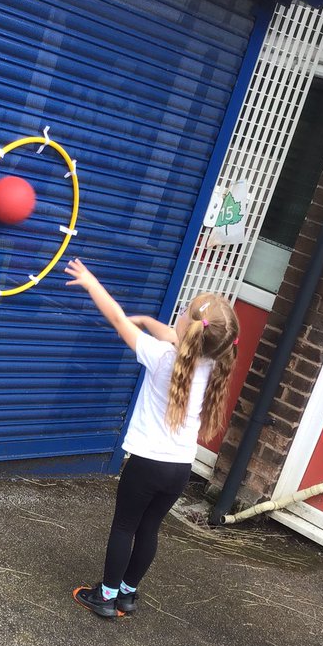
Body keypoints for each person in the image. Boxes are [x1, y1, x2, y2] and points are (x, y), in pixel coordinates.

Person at [65, 257, 239, 619]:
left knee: (124, 526)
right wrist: (145, 321)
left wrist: (92, 282)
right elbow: (175, 337)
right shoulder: (214, 364)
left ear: (189, 328)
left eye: (184, 312)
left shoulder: (162, 358)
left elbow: (115, 319)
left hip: (146, 464)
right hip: (178, 469)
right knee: (148, 528)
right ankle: (127, 594)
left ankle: (106, 598)